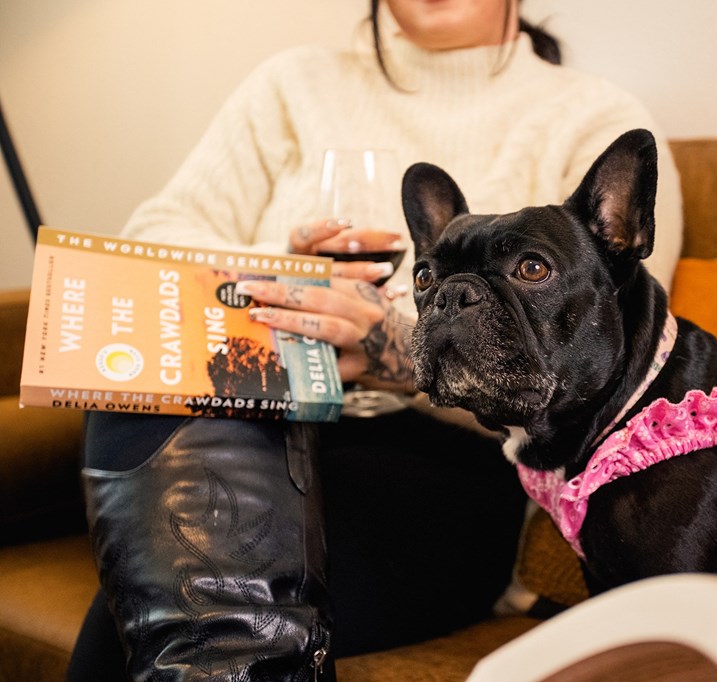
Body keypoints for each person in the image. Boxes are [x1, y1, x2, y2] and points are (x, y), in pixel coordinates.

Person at [66, 0, 683, 679]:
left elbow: (618, 374)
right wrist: (279, 273)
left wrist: (395, 347)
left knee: (155, 614)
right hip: (257, 422)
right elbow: (150, 250)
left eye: (528, 267)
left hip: (446, 459)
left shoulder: (593, 117)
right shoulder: (291, 86)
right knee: (145, 405)